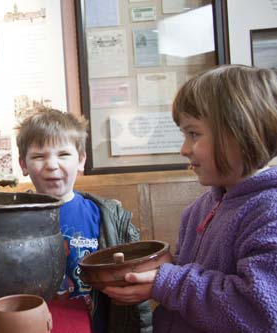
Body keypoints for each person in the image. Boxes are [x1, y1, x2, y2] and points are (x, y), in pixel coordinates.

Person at [102, 65, 277, 332]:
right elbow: (187, 278)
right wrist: (157, 273)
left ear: (241, 131)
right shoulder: (198, 209)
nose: (184, 149)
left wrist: (168, 282)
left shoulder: (269, 212)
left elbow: (260, 311)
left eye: (194, 134)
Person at [15, 109, 153, 333]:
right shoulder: (11, 218)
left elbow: (136, 294)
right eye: (39, 156)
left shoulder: (106, 216)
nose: (51, 164)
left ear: (81, 160)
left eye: (63, 154)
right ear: (23, 164)